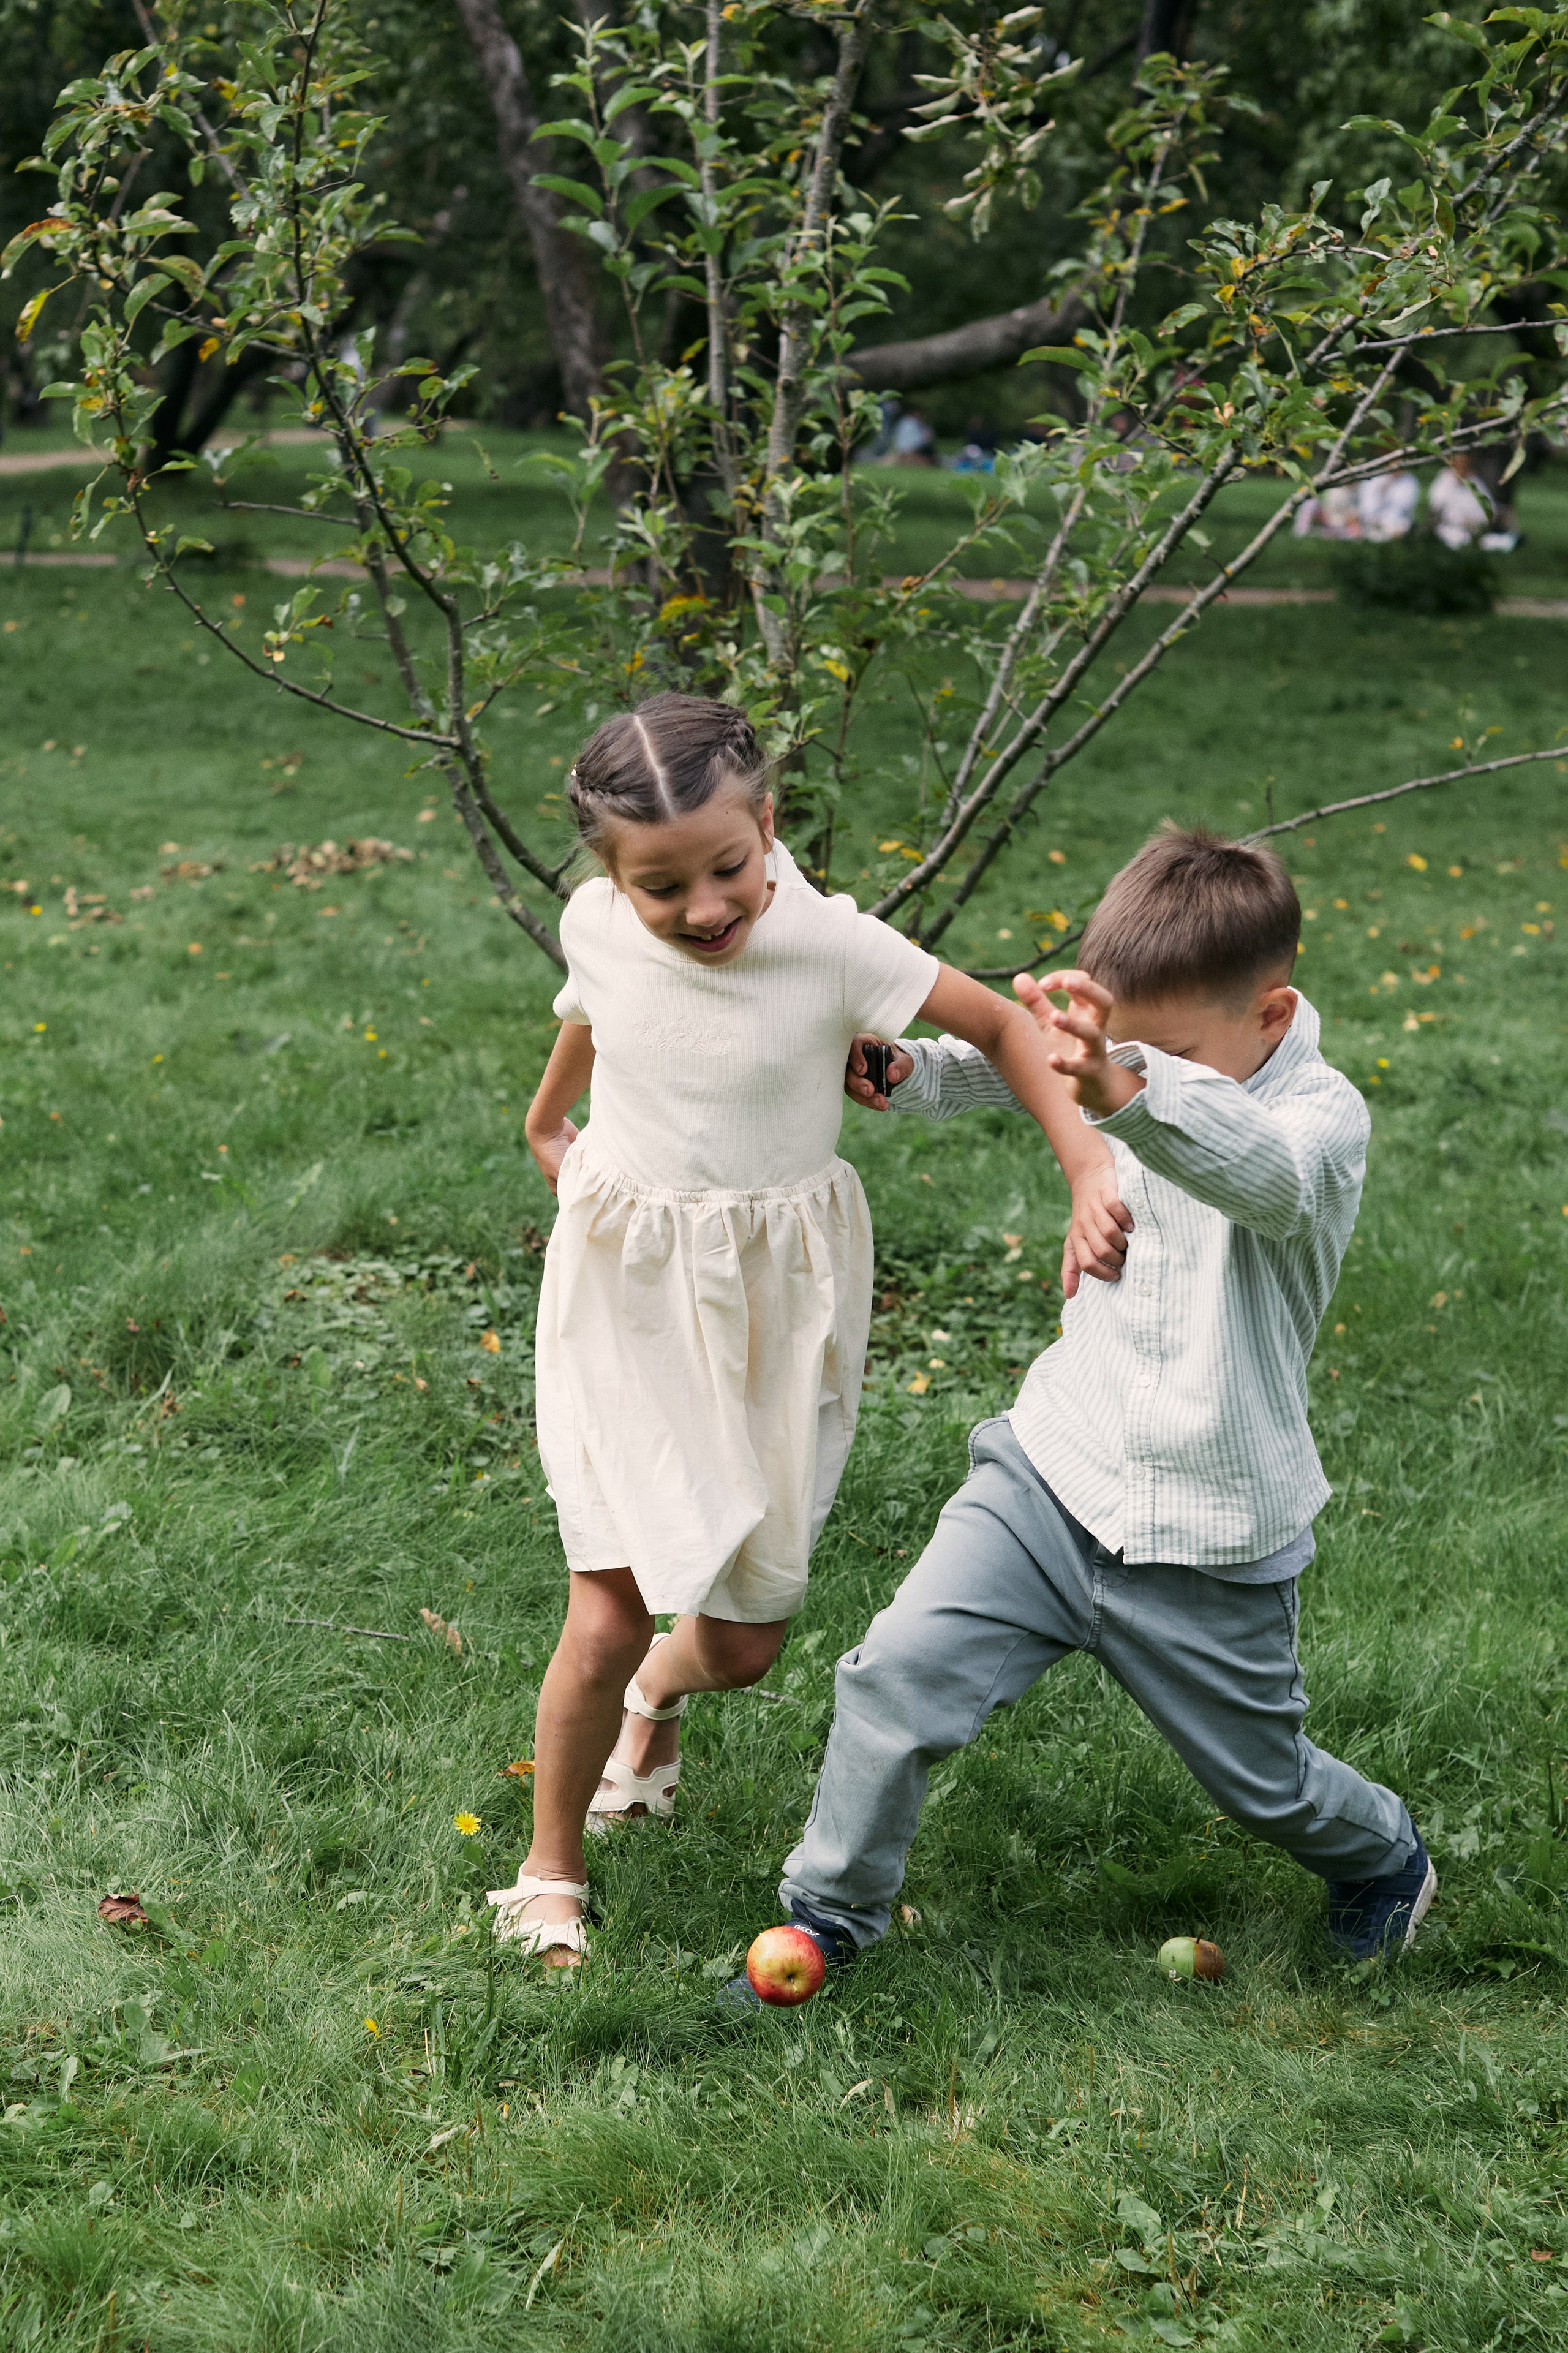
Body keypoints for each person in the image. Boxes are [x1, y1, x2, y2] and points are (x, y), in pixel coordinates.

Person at [726, 825, 1435, 2000]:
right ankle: (830, 1916)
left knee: (1263, 1784)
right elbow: (1036, 1061)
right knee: (893, 1675)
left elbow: (1257, 1175)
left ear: (1271, 1015)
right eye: (1124, 1048)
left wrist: (1125, 1090)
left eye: (1171, 1054)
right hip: (1057, 1472)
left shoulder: (1321, 1123)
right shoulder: (1135, 1060)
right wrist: (919, 1071)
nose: (1138, 1071)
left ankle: (1384, 1860)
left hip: (1211, 1532)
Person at [488, 693, 1132, 1963]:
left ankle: (657, 1699)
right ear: (612, 881)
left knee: (740, 1638)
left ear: (767, 828)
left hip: (777, 1298)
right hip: (625, 1283)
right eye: (662, 886)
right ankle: (548, 1870)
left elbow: (1002, 1026)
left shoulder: (836, 947)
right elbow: (586, 1009)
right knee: (607, 1601)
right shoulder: (597, 922)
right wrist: (548, 1122)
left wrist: (1082, 1172)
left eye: (727, 868)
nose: (705, 906)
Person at [1428, 453, 1494, 550]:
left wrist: (1476, 522)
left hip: (1473, 529)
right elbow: (1435, 507)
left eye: (1465, 465)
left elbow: (1490, 509)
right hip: (1448, 529)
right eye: (1458, 465)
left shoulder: (1476, 482)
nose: (1461, 470)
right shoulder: (1444, 480)